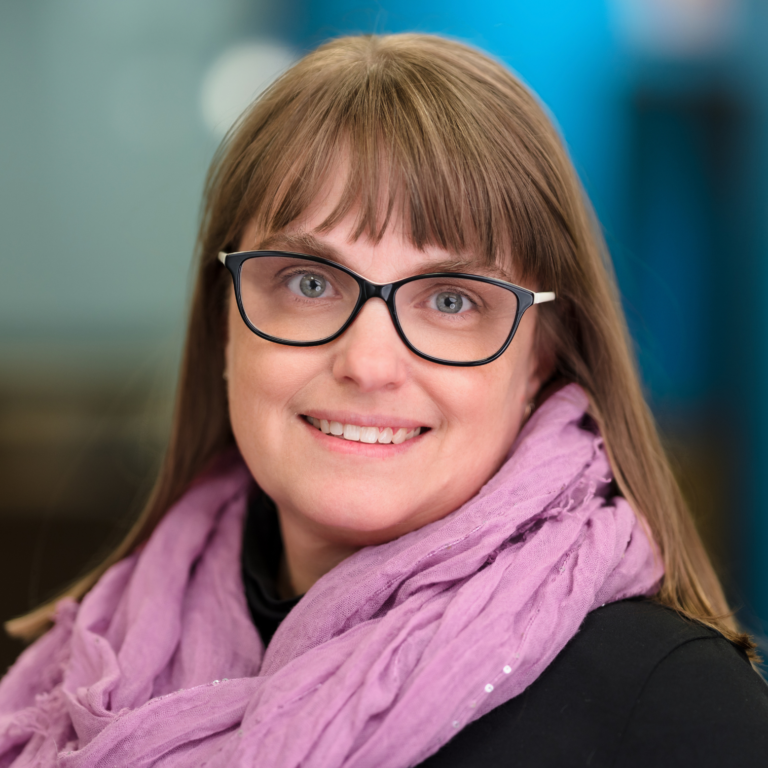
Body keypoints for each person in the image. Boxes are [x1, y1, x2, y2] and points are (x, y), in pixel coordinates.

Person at [1, 33, 766, 768]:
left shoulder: (674, 710)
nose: (367, 364)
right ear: (223, 321)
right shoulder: (66, 678)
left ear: (541, 357)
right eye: (309, 283)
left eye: (451, 300)